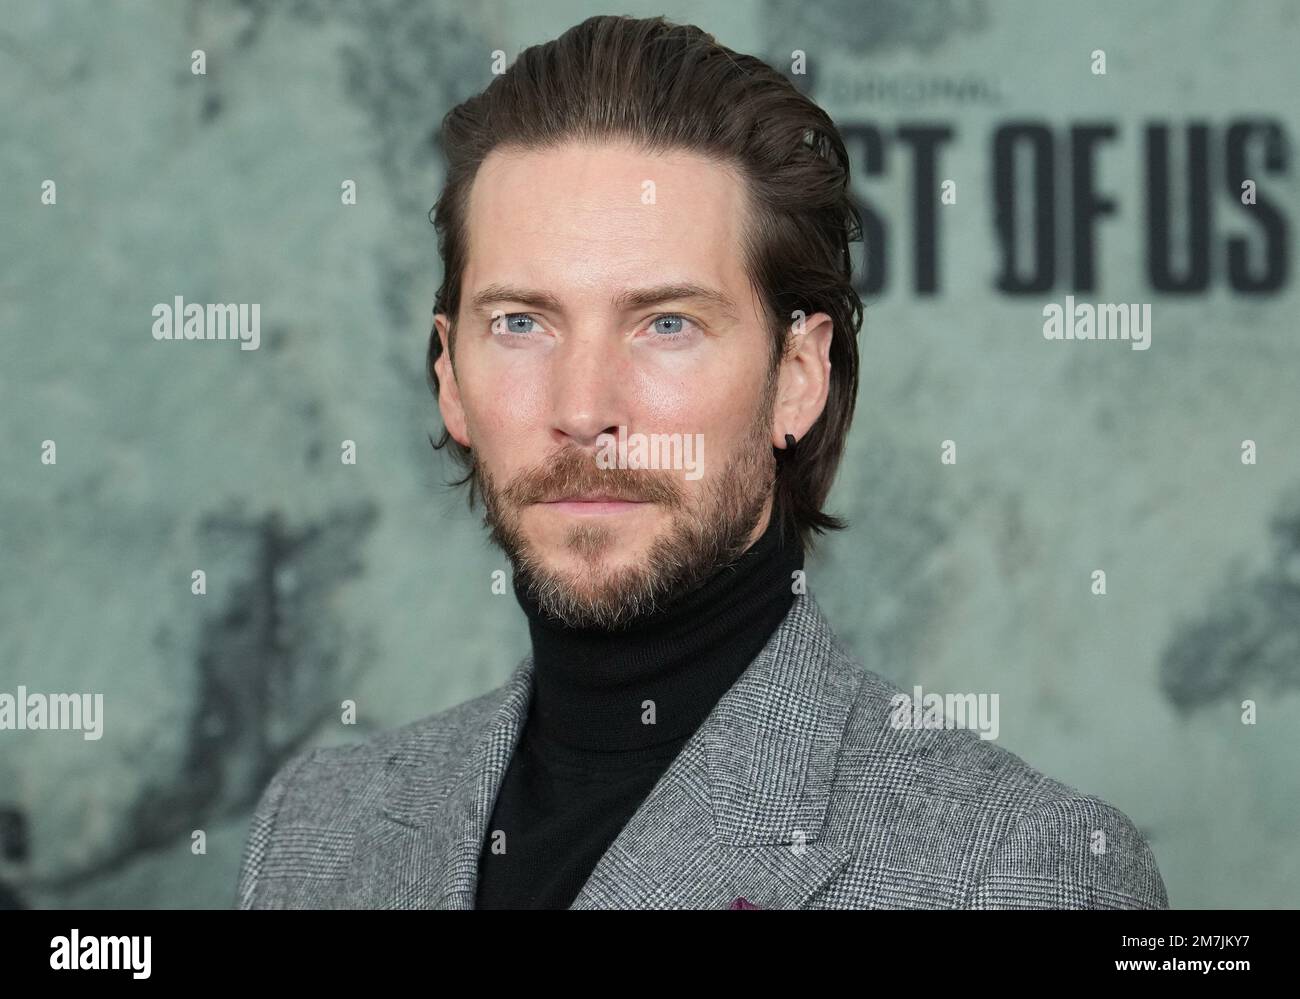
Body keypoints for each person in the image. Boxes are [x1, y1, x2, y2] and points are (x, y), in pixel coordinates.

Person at [236, 14, 1168, 910]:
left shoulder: (1022, 872)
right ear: (449, 374)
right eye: (521, 322)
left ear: (798, 376)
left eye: (667, 324)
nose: (583, 411)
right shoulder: (317, 827)